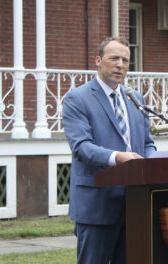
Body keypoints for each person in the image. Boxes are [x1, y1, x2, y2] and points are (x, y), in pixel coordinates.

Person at [62, 36, 156, 263]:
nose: (120, 65)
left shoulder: (135, 98)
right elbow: (82, 147)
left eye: (125, 60)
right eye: (114, 58)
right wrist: (117, 157)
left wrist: (153, 161)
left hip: (135, 205)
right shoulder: (77, 98)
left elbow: (147, 143)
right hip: (97, 206)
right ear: (98, 60)